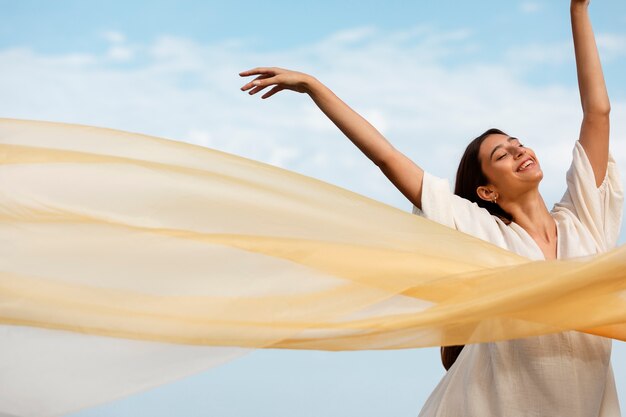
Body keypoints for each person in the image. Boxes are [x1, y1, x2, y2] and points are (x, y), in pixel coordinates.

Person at [240, 0, 623, 415]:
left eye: (517, 143)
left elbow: (597, 113)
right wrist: (316, 88)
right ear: (488, 192)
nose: (518, 150)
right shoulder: (483, 233)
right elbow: (389, 159)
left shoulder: (585, 220)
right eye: (502, 155)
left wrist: (578, 9)